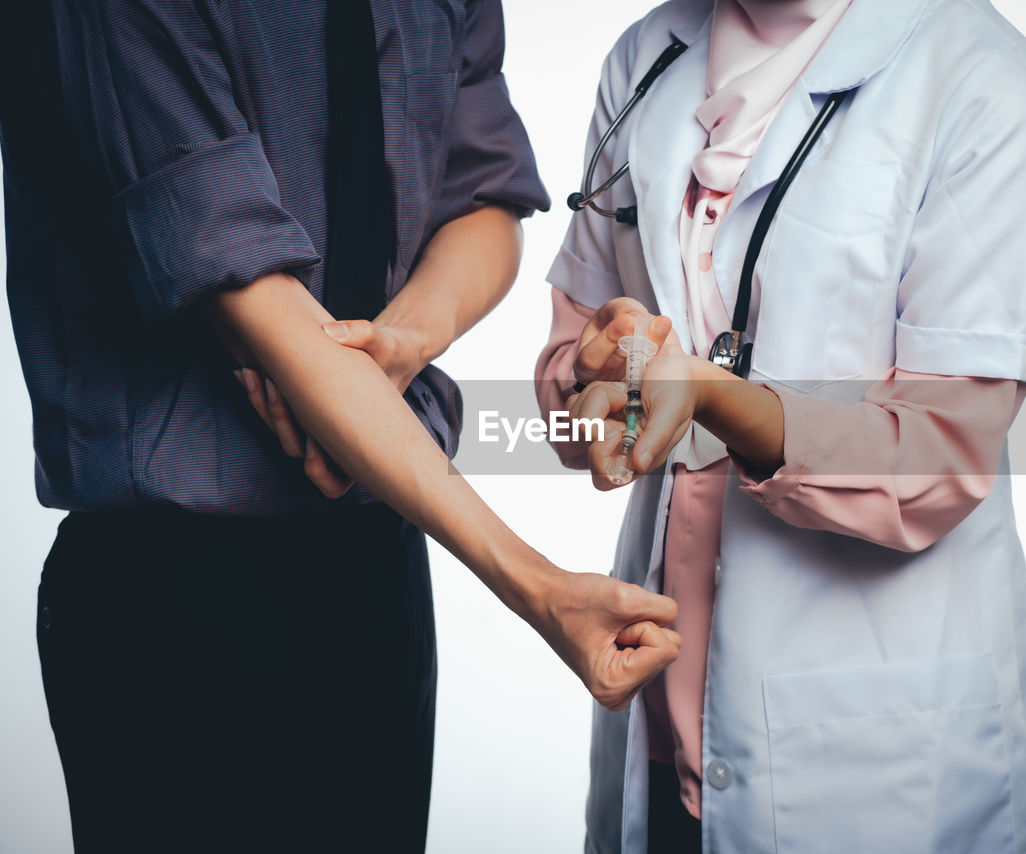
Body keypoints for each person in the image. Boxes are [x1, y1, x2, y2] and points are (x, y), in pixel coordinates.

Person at [0, 1, 680, 851]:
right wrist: (539, 589)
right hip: (171, 592)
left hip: (376, 559)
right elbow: (244, 286)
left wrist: (399, 342)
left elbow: (485, 201)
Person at [534, 0, 1026, 851]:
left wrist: (715, 398)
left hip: (876, 750)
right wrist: (593, 389)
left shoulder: (993, 88)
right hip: (654, 708)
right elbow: (570, 371)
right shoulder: (646, 56)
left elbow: (937, 461)